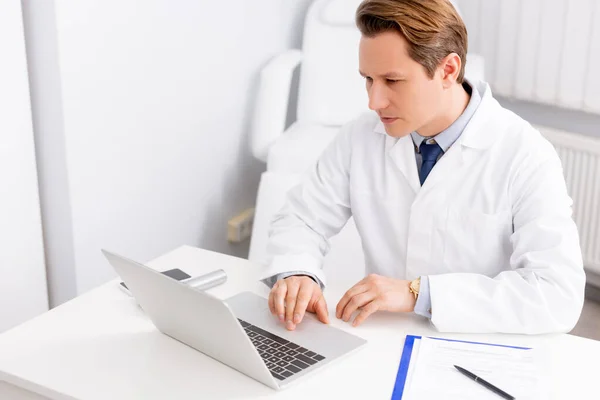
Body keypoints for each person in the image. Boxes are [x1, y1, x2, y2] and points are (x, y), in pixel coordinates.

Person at [260, 0, 585, 334]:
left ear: (447, 70)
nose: (374, 101)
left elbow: (556, 294)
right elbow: (301, 218)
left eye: (393, 80)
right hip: (382, 334)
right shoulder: (360, 136)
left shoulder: (524, 154)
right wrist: (298, 272)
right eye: (368, 79)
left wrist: (419, 294)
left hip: (476, 346)